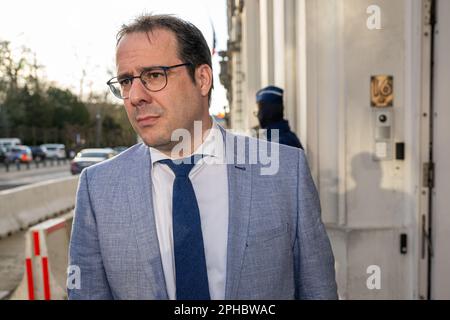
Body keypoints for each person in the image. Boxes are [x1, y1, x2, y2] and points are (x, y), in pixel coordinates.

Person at [68, 14, 337, 300]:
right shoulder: (97, 188)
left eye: (154, 75)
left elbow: (318, 290)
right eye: (125, 81)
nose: (135, 96)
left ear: (202, 79)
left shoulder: (285, 172)